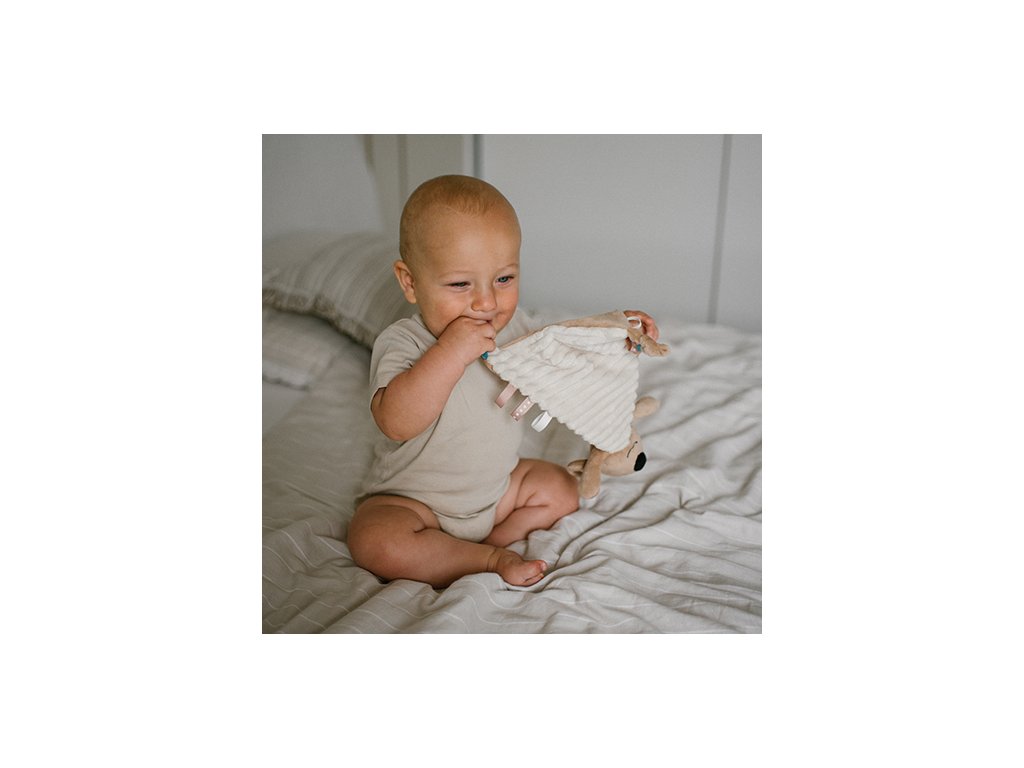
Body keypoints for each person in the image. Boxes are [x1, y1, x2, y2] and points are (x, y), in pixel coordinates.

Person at [347, 175, 658, 588]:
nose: (487, 302)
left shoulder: (518, 331)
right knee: (373, 539)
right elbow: (396, 421)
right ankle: (489, 558)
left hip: (497, 494)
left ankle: (487, 542)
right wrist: (450, 352)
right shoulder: (404, 341)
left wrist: (618, 333)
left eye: (504, 279)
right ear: (410, 282)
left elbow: (570, 351)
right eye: (460, 284)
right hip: (415, 503)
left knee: (561, 488)